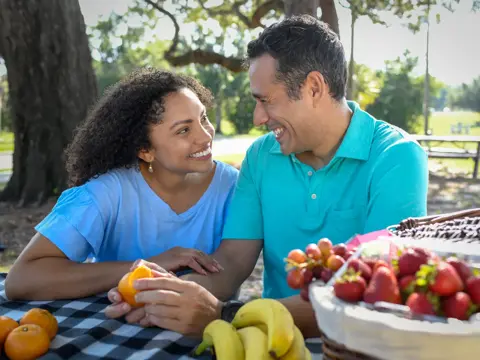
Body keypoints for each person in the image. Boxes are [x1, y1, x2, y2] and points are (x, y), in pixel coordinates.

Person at [105, 15, 429, 338]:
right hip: (272, 338)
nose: (259, 118)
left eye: (265, 100)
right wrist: (166, 295)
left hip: (357, 345)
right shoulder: (261, 156)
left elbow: (374, 290)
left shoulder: (396, 157)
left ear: (313, 88)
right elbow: (231, 261)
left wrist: (225, 314)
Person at [5, 69, 239, 302]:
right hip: (115, 324)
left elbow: (231, 275)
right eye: (184, 130)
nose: (206, 136)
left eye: (204, 118)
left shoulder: (232, 186)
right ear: (145, 150)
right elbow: (21, 279)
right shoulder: (106, 193)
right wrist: (143, 267)